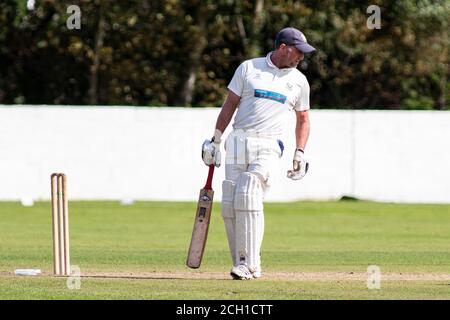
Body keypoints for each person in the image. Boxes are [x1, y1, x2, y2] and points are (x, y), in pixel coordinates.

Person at [202, 27, 315, 280]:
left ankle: (249, 263)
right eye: (298, 52)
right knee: (231, 202)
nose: (302, 58)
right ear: (283, 48)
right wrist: (216, 140)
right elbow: (230, 104)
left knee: (249, 190)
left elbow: (304, 118)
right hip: (239, 139)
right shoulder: (248, 68)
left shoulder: (299, 81)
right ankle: (241, 263)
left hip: (269, 144)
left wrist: (300, 152)